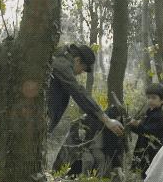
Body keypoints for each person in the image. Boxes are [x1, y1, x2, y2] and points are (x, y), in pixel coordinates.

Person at [46, 44, 124, 172]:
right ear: (77, 60)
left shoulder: (61, 60)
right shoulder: (62, 65)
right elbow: (78, 92)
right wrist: (107, 120)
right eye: (82, 69)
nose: (80, 73)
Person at [128, 83, 163, 182]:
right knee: (144, 179)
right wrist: (132, 125)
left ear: (162, 101)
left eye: (154, 98)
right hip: (144, 153)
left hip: (153, 155)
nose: (150, 100)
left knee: (152, 181)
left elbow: (147, 131)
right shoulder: (149, 113)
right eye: (149, 97)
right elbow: (141, 131)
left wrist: (137, 125)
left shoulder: (159, 116)